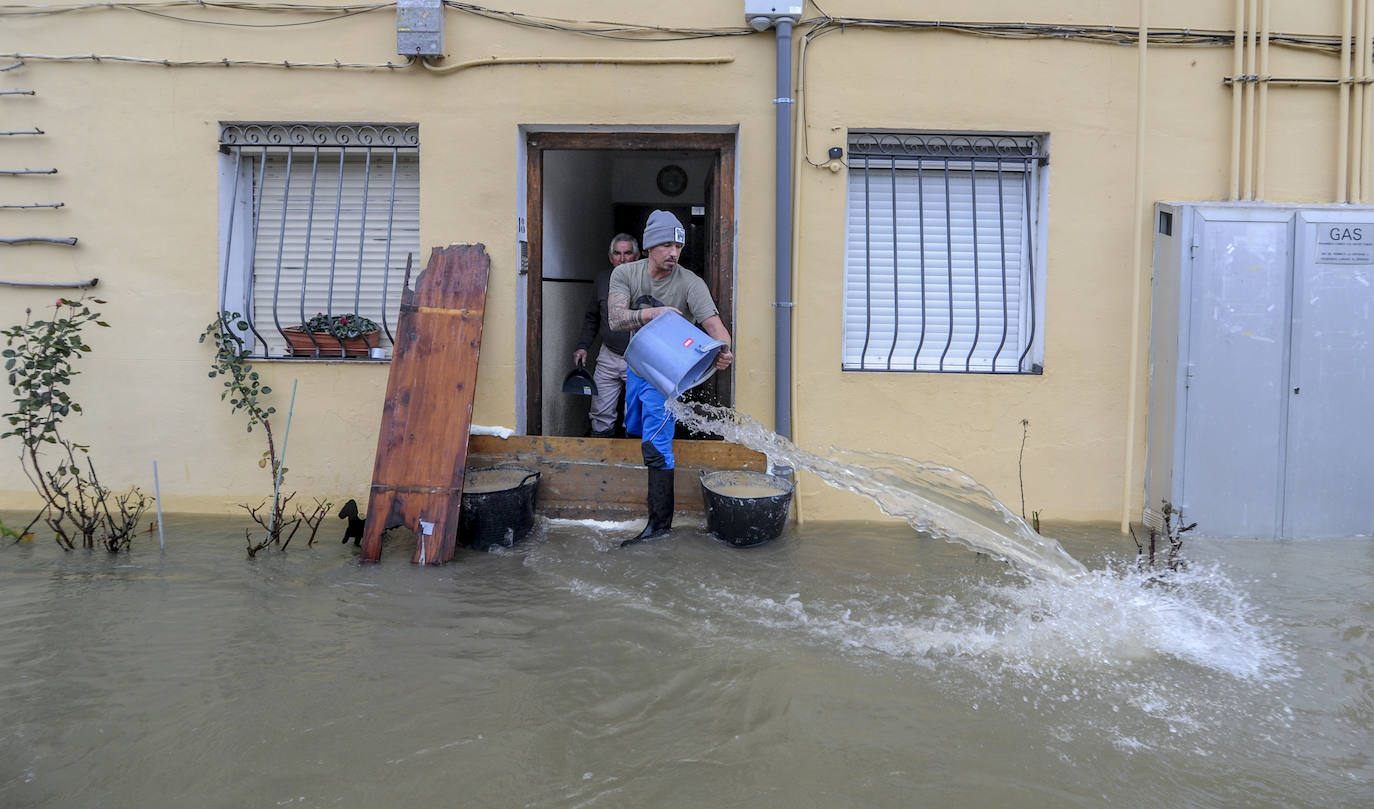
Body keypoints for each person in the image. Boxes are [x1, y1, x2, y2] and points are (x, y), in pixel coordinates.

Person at [608, 210, 734, 543]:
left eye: (677, 245)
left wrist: (724, 349)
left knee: (655, 443)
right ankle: (658, 517)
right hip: (636, 364)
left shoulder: (691, 283)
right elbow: (616, 319)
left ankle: (659, 526)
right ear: (650, 246)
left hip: (667, 372)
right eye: (665, 245)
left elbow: (715, 326)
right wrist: (656, 313)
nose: (673, 253)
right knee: (634, 426)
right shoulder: (626, 274)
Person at [573, 234, 639, 438]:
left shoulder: (646, 278)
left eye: (627, 253)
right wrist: (583, 345)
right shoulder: (602, 279)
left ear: (636, 255)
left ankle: (634, 464)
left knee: (636, 416)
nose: (622, 258)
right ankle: (600, 462)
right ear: (611, 257)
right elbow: (592, 317)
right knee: (600, 413)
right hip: (609, 354)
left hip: (639, 358)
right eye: (617, 253)